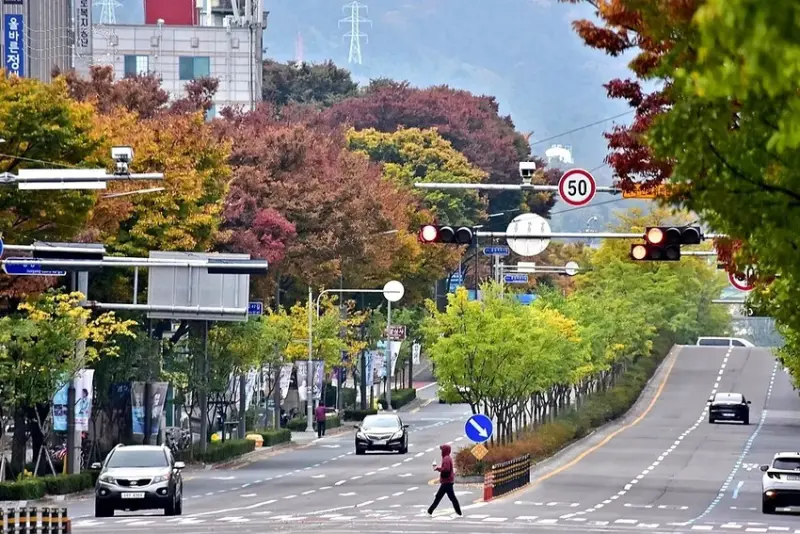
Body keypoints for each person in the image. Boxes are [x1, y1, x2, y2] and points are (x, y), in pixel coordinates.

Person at [427, 444, 462, 516]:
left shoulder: (446, 459)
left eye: (442, 450)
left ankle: (430, 511)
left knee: (439, 497)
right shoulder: (447, 458)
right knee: (451, 498)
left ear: (445, 450)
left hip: (447, 481)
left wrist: (438, 469)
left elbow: (446, 469)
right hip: (448, 481)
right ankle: (459, 512)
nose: (441, 451)